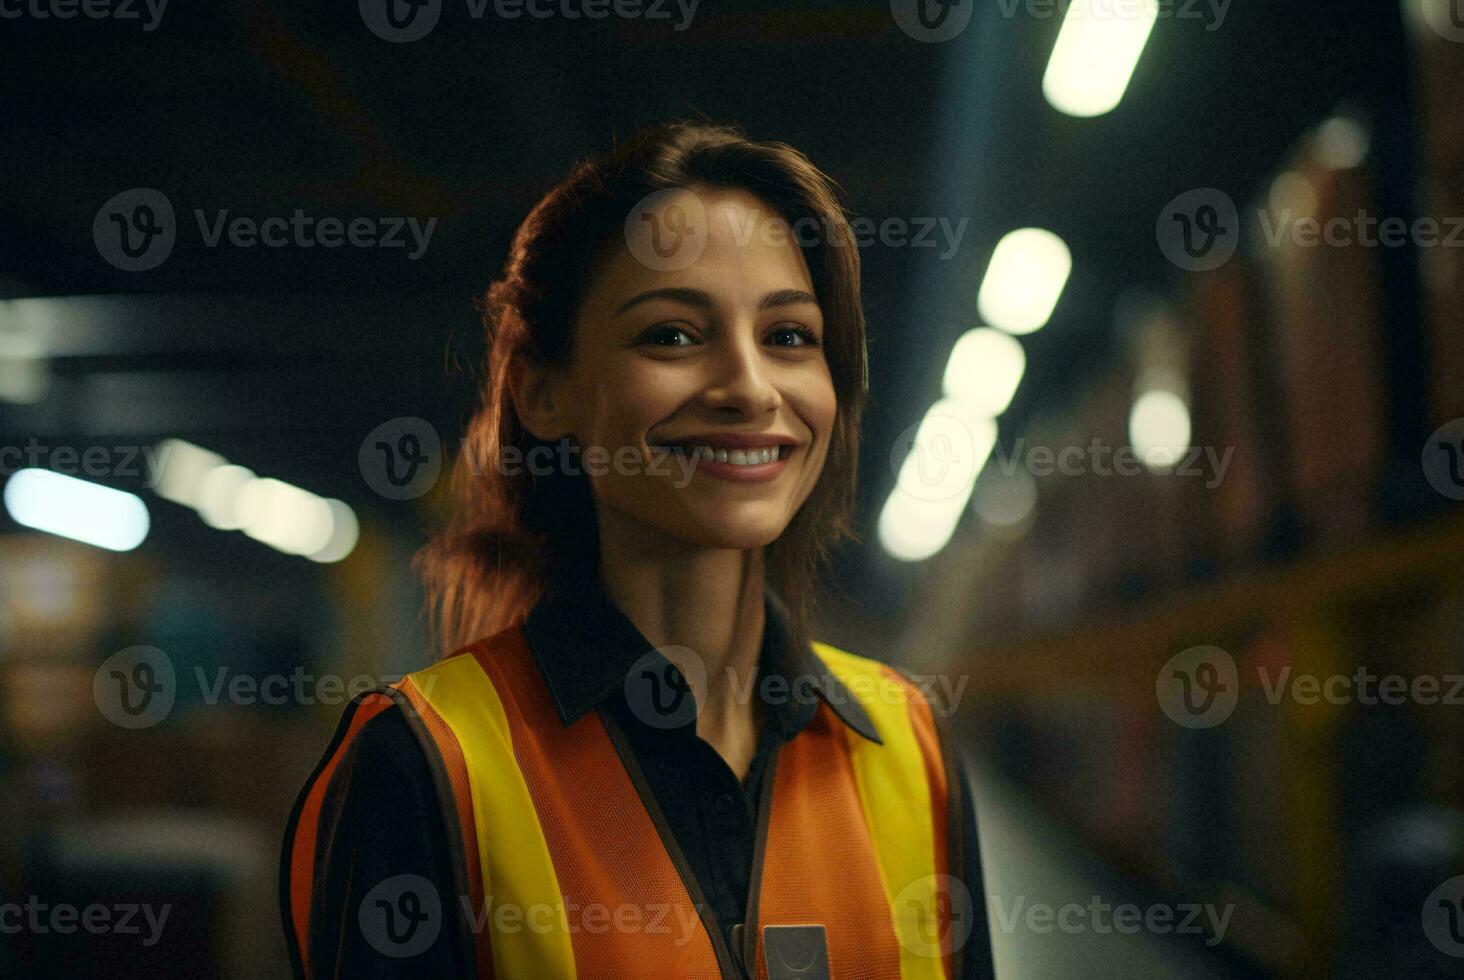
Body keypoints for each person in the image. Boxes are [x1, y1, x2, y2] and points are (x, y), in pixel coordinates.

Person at [281, 120, 996, 979]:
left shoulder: (910, 747)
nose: (748, 387)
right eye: (673, 335)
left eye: (790, 337)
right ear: (544, 394)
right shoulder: (429, 762)